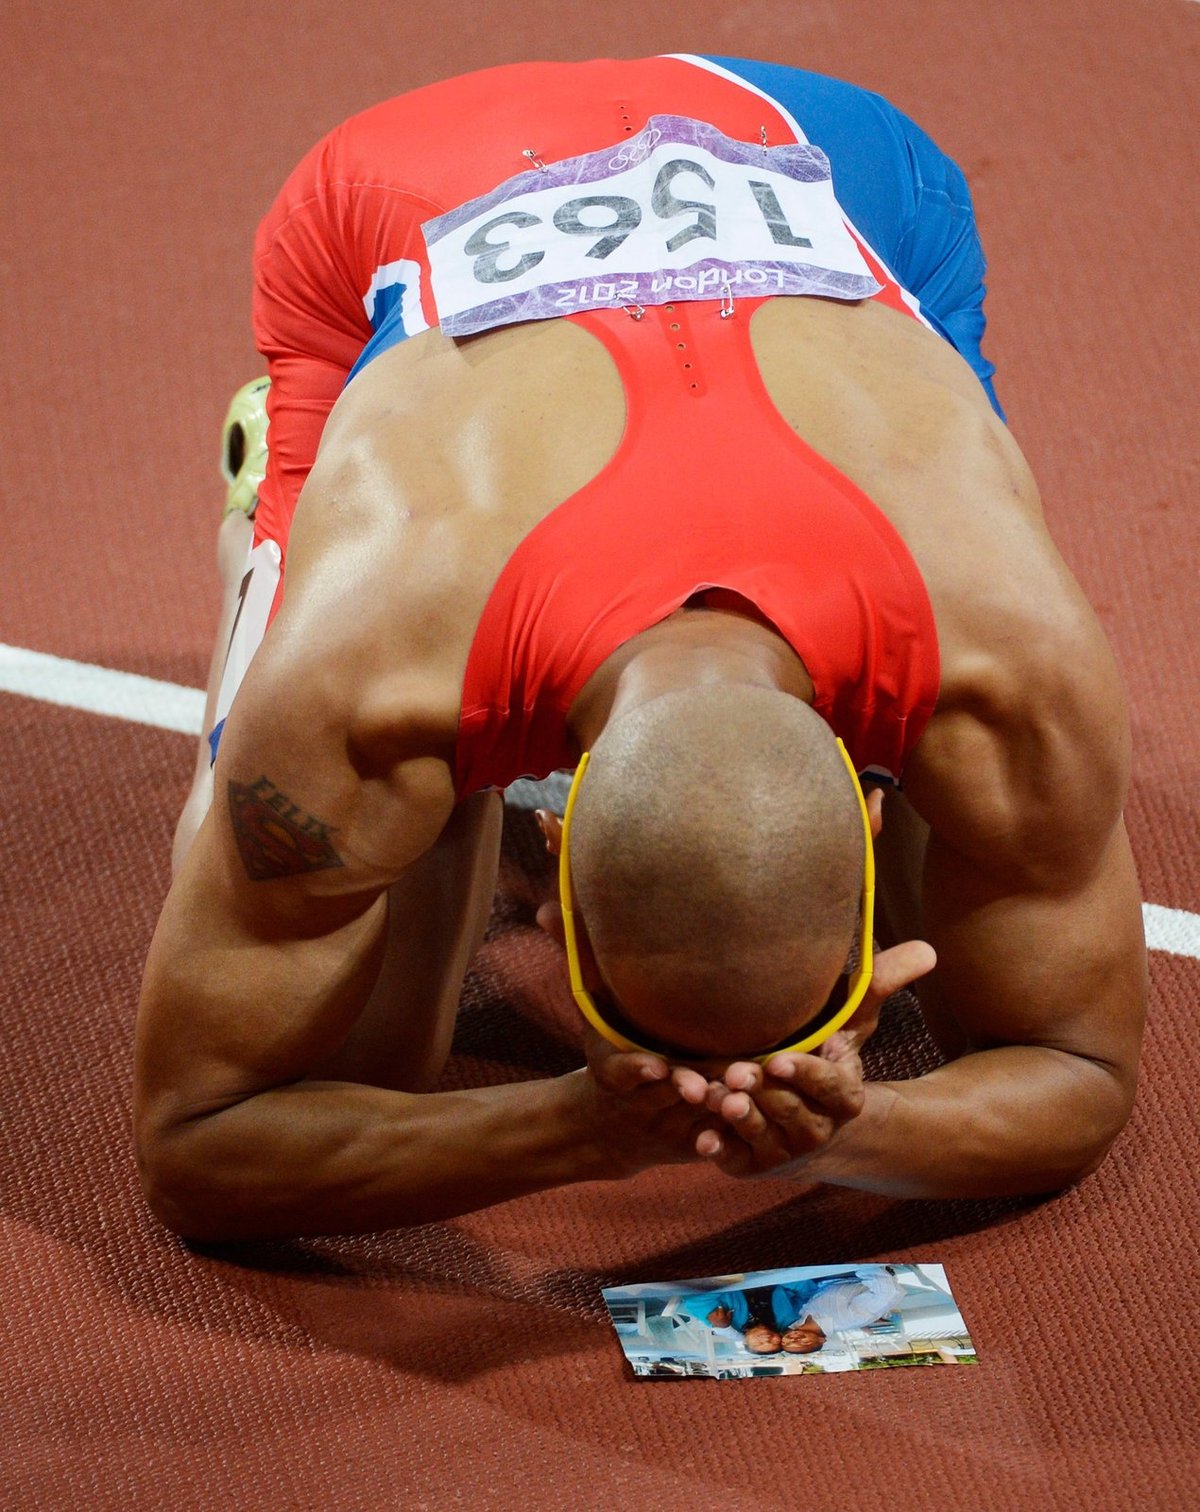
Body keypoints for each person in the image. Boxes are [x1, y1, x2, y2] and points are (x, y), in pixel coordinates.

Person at [135, 56, 1147, 1242]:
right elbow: (196, 1139)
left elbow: (1081, 1074)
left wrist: (839, 1130)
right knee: (377, 1039)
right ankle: (263, 509)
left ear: (869, 806)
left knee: (969, 868)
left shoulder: (1007, 671)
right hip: (404, 192)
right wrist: (571, 1127)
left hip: (844, 172)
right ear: (555, 856)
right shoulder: (370, 687)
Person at [771, 1266, 905, 1353]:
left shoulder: (800, 1318)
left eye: (787, 1342)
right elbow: (889, 1292)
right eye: (804, 1343)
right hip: (850, 1272)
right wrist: (864, 1266)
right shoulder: (849, 1319)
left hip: (822, 1276)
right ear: (822, 1340)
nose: (795, 1340)